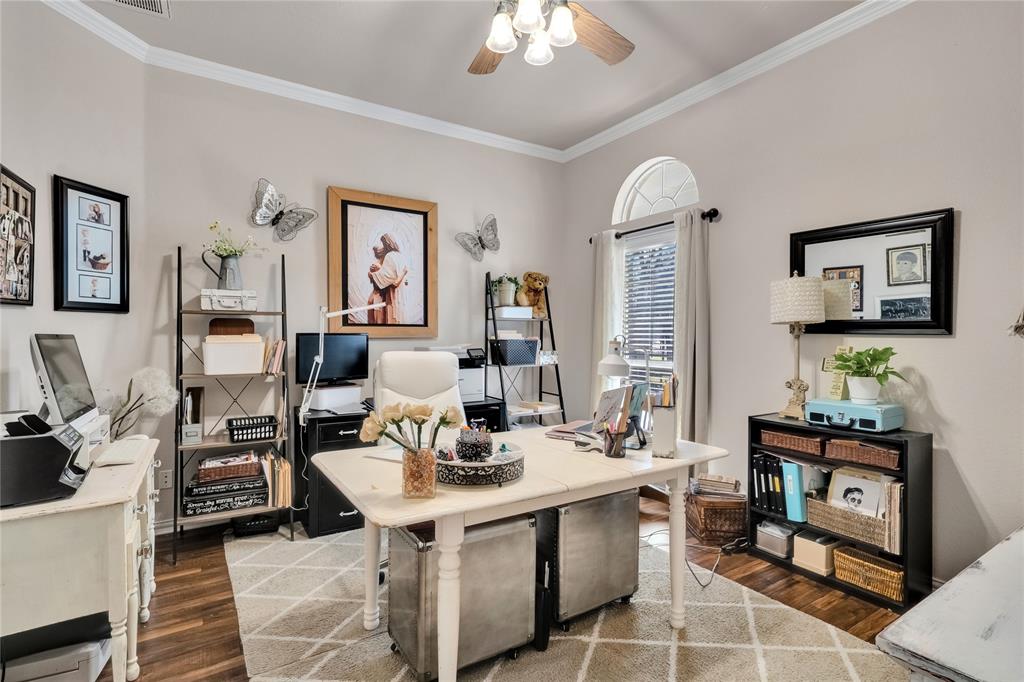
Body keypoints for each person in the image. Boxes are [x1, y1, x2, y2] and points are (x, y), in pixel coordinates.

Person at [366, 233, 408, 324]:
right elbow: (394, 276)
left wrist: (372, 274)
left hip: (390, 294)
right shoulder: (399, 256)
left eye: (383, 243)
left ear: (387, 243)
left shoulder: (389, 256)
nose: (383, 247)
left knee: (390, 319)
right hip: (399, 296)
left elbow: (390, 279)